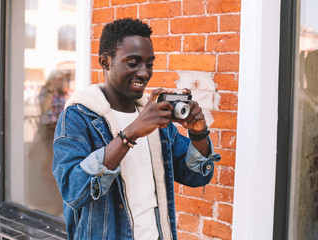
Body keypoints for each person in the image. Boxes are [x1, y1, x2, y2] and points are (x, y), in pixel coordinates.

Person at [53, 18, 221, 240]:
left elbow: (195, 176)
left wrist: (198, 133)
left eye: (149, 63)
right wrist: (130, 134)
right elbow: (73, 191)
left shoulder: (155, 119)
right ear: (105, 62)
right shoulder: (78, 117)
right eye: (133, 63)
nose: (144, 73)